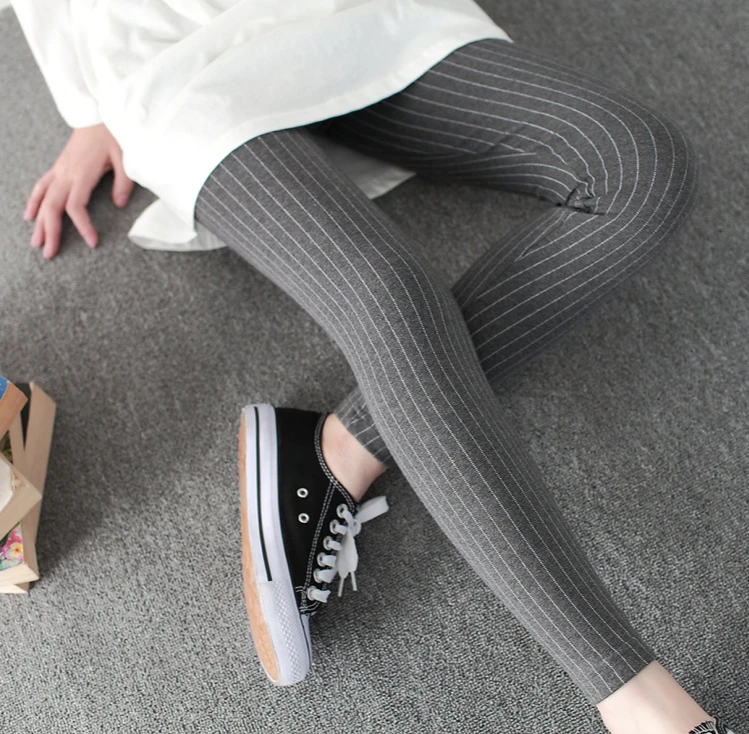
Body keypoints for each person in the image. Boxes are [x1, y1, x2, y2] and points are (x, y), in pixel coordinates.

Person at [11, 1, 737, 732]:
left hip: (346, 13)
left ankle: (344, 446)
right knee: (392, 298)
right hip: (166, 50)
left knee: (641, 167)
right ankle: (641, 703)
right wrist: (89, 108)